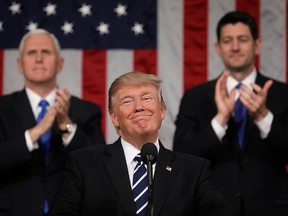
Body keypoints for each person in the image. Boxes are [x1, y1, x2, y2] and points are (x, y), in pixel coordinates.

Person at [48, 71, 232, 216]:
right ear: (114, 118)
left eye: (146, 98)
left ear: (162, 112)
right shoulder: (84, 164)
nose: (139, 106)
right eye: (127, 101)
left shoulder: (194, 170)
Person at [173, 11, 288, 216]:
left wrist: (264, 118)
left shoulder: (283, 94)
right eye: (227, 40)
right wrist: (220, 120)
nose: (235, 47)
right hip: (212, 208)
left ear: (257, 45)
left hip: (272, 210)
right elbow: (181, 157)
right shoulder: (195, 97)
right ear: (218, 48)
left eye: (242, 39)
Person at [0, 29, 106, 216]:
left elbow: (99, 166)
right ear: (19, 64)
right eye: (32, 52)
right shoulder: (2, 108)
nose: (39, 59)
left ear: (60, 63)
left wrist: (66, 125)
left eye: (46, 52)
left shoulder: (86, 111)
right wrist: (36, 132)